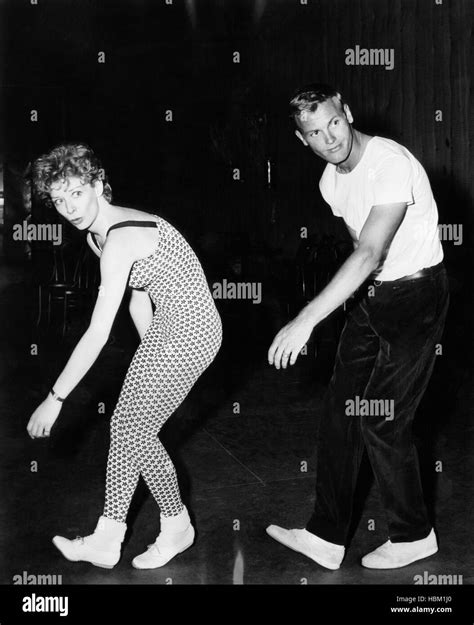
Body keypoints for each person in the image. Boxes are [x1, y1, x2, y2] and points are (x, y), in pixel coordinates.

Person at [266, 84, 448, 570]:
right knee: (340, 411)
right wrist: (353, 310)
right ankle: (326, 536)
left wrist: (307, 318)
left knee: (383, 419)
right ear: (303, 141)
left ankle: (413, 535)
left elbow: (370, 252)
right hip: (376, 296)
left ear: (346, 112)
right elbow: (360, 254)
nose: (331, 138)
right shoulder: (330, 183)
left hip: (418, 294)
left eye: (334, 123)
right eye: (316, 133)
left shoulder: (390, 161)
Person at [26, 143, 222, 569]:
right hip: (168, 327)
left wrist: (55, 397)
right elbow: (138, 297)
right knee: (128, 425)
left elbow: (97, 333)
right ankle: (109, 537)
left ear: (98, 185)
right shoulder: (99, 234)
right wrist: (151, 358)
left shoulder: (120, 239)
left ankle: (175, 527)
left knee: (132, 428)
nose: (69, 208)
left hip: (195, 328)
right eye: (58, 200)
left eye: (76, 193)